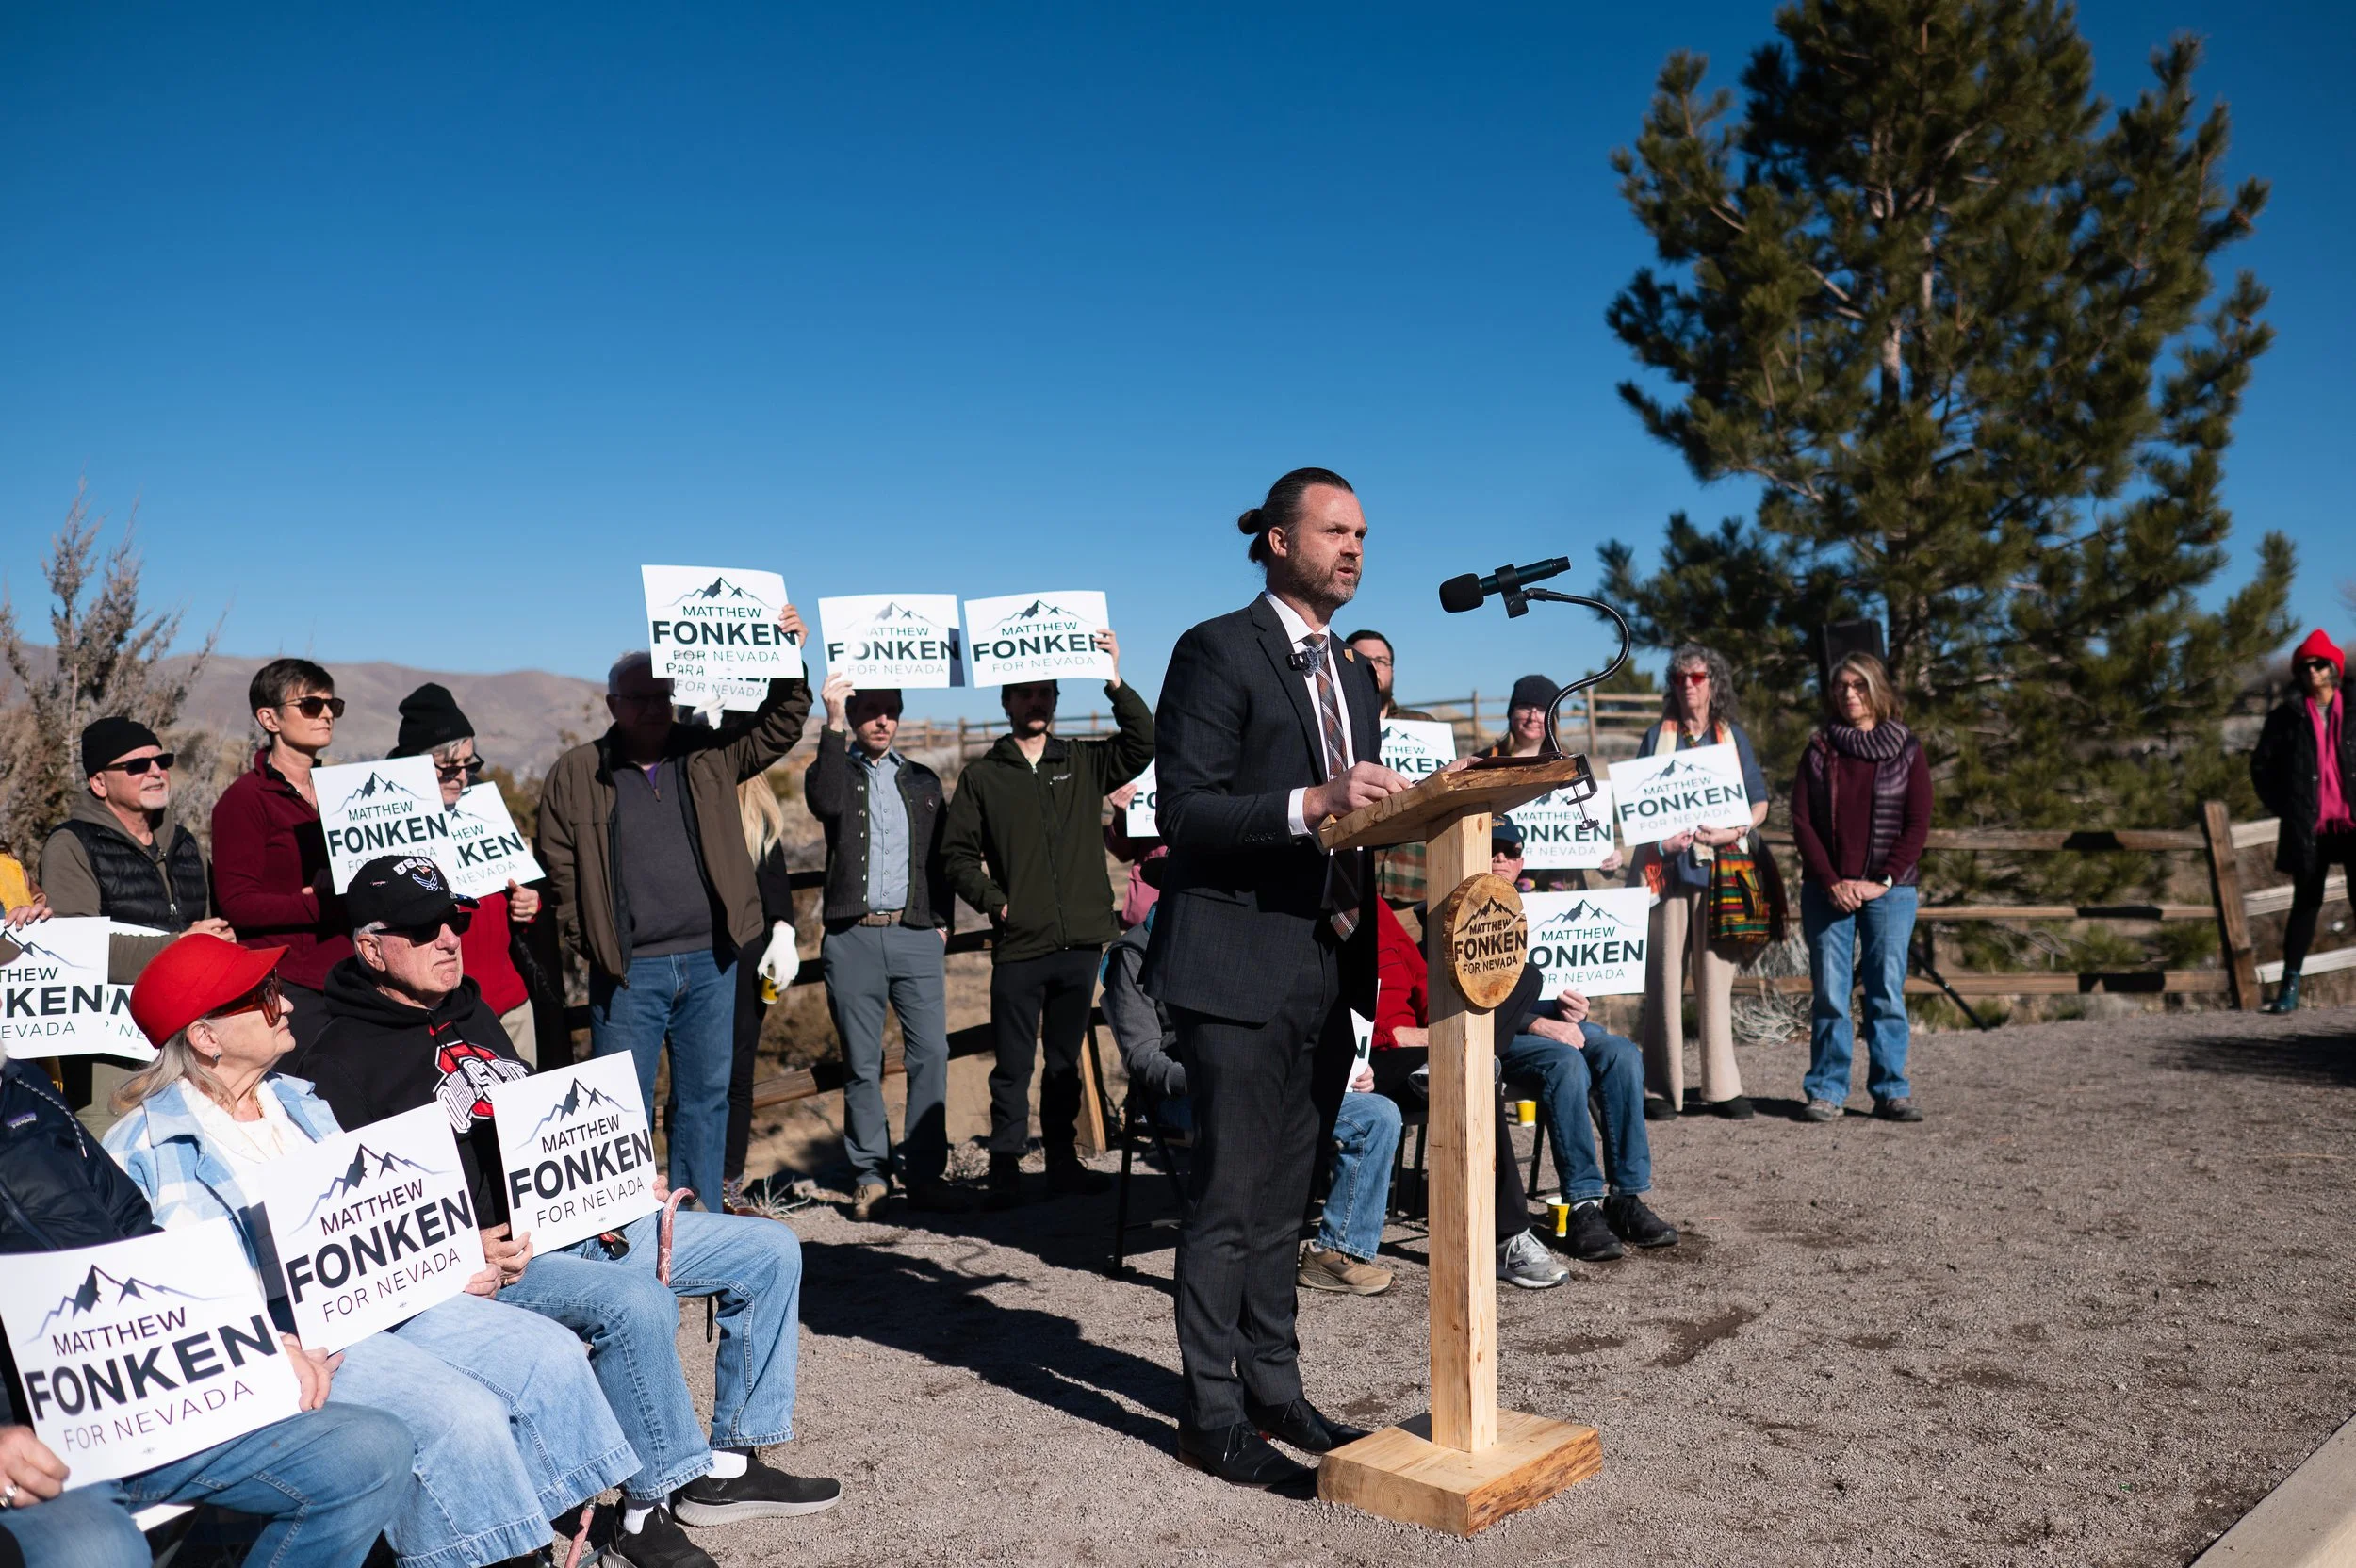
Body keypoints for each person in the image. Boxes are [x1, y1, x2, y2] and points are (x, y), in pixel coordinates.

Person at [293, 855, 841, 1568]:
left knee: (768, 1252)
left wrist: (613, 1170)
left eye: (453, 922)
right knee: (634, 1304)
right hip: (500, 1262)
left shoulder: (469, 1007)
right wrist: (464, 1253)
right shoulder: (338, 1059)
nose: (448, 939)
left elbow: (532, 1115)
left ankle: (730, 1464)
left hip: (577, 1217)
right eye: (422, 929)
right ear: (370, 947)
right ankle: (646, 1513)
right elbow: (362, 1216)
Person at [104, 934, 638, 1568]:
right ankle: (501, 1554)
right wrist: (268, 1343)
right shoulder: (146, 1150)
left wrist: (448, 1254)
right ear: (205, 1038)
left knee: (545, 1354)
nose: (289, 1006)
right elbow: (164, 1301)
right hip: (297, 1340)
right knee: (460, 1414)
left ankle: (553, 1526)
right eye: (266, 997)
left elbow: (376, 1216)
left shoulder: (298, 1101)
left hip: (384, 1301)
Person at [1141, 466, 1404, 1488]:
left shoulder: (1354, 674)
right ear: (1278, 543)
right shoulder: (1215, 649)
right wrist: (1314, 799)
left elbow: (1362, 818)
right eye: (1335, 530)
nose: (1355, 548)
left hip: (1323, 959)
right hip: (1235, 960)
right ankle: (1208, 1412)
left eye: (1364, 533)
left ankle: (1275, 1385)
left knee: (1290, 1193)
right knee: (1227, 1197)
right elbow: (1188, 812)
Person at [0, 1053, 412, 1568]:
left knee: (371, 1450)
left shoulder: (24, 1087)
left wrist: (237, 1335)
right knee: (98, 1552)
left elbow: (130, 1221)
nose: (285, 1006)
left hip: (141, 1378)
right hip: (29, 1431)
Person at [537, 613, 811, 1213]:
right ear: (612, 704)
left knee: (706, 1098)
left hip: (713, 960)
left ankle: (700, 1223)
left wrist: (787, 655)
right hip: (632, 971)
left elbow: (783, 722)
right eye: (639, 698)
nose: (654, 708)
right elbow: (558, 866)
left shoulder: (711, 755)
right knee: (620, 1109)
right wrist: (593, 940)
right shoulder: (577, 773)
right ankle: (629, 1229)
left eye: (662, 695)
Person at [941, 630, 1153, 1210]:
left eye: (1044, 693)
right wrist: (994, 901)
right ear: (1007, 702)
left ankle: (1061, 1160)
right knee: (1011, 1064)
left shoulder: (1084, 760)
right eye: (1024, 694)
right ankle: (1005, 1166)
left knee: (1064, 1061)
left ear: (1056, 700)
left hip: (1081, 940)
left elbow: (1144, 741)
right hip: (1020, 941)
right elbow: (956, 854)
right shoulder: (984, 777)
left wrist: (1113, 677)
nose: (1035, 702)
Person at [1102, 901, 1398, 1297]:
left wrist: (1345, 1065)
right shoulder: (1135, 954)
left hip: (1266, 1078)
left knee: (1378, 1113)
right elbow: (1143, 1057)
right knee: (1250, 1119)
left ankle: (1337, 1253)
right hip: (1187, 1090)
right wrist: (1207, 1079)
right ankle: (1237, 1256)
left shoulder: (1238, 939)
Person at [805, 671, 971, 1219]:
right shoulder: (837, 771)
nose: (881, 720)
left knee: (932, 1054)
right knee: (861, 1063)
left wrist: (942, 920)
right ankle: (871, 1177)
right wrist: (829, 723)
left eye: (890, 710)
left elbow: (942, 858)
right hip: (852, 937)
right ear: (852, 716)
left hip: (917, 934)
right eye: (869, 710)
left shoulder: (923, 781)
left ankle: (926, 1174)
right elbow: (823, 803)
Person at [39, 716, 236, 1132]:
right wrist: (181, 946)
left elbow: (205, 920)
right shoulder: (71, 845)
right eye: (135, 765)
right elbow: (76, 948)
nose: (155, 771)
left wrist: (220, 938)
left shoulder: (184, 842)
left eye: (160, 760)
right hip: (111, 1045)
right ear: (99, 783)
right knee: (119, 1154)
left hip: (189, 1030)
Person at [1366, 898, 1567, 1290]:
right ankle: (1507, 1238)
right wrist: (1405, 1037)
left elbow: (1420, 975)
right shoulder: (1307, 910)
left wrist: (1441, 1026)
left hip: (1424, 1048)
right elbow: (1320, 1008)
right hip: (1375, 1057)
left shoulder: (1370, 903)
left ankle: (1463, 1059)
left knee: (1520, 974)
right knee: (1477, 1075)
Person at [1630, 644, 1772, 1120]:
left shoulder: (1733, 739)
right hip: (1666, 875)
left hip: (1720, 872)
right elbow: (1637, 808)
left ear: (1714, 683)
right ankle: (1658, 1087)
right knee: (1663, 980)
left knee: (1716, 981)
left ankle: (1722, 1086)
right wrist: (1662, 839)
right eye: (1680, 678)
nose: (1688, 686)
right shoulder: (1655, 737)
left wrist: (1733, 831)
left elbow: (1758, 802)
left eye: (1697, 677)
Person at [1791, 651, 1932, 1122]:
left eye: (1858, 685)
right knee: (1830, 993)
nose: (1849, 694)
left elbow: (1917, 823)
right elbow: (1802, 821)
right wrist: (1832, 881)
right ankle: (1827, 1091)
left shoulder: (1906, 749)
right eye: (1841, 687)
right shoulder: (1820, 749)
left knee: (1885, 991)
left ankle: (1891, 1088)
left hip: (1890, 893)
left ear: (1876, 689)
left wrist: (1881, 881)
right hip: (1827, 891)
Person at [386, 683, 545, 1063]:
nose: (461, 777)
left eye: (470, 765)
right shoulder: (384, 825)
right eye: (448, 768)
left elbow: (507, 894)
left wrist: (527, 905)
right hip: (439, 1012)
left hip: (509, 1001)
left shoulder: (483, 808)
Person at [211, 657, 351, 1049]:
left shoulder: (343, 792)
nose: (326, 715)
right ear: (269, 719)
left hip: (351, 976)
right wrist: (319, 907)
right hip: (292, 986)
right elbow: (238, 904)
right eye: (310, 705)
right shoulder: (244, 800)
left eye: (332, 706)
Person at [2251, 629, 2356, 1013]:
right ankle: (2290, 986)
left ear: (2334, 667)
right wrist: (2290, 806)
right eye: (2306, 665)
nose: (2313, 671)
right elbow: (2261, 767)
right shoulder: (2286, 717)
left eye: (2320, 663)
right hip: (2309, 827)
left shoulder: (2354, 709)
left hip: (2352, 823)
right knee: (2306, 904)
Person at [724, 776, 799, 1213]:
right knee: (696, 1076)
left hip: (750, 956)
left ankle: (727, 1183)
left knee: (738, 1070)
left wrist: (784, 929)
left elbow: (774, 877)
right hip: (695, 954)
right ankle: (686, 1182)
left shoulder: (756, 802)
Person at [1345, 629, 1439, 907]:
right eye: (1362, 658)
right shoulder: (1332, 730)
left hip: (1414, 889)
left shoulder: (1425, 727)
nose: (1372, 666)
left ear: (1393, 671)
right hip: (1349, 885)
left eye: (1381, 660)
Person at [1483, 672, 1559, 760]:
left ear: (1554, 720)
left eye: (1542, 710)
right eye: (1525, 707)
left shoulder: (1570, 764)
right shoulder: (1483, 760)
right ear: (1511, 714)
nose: (1532, 717)